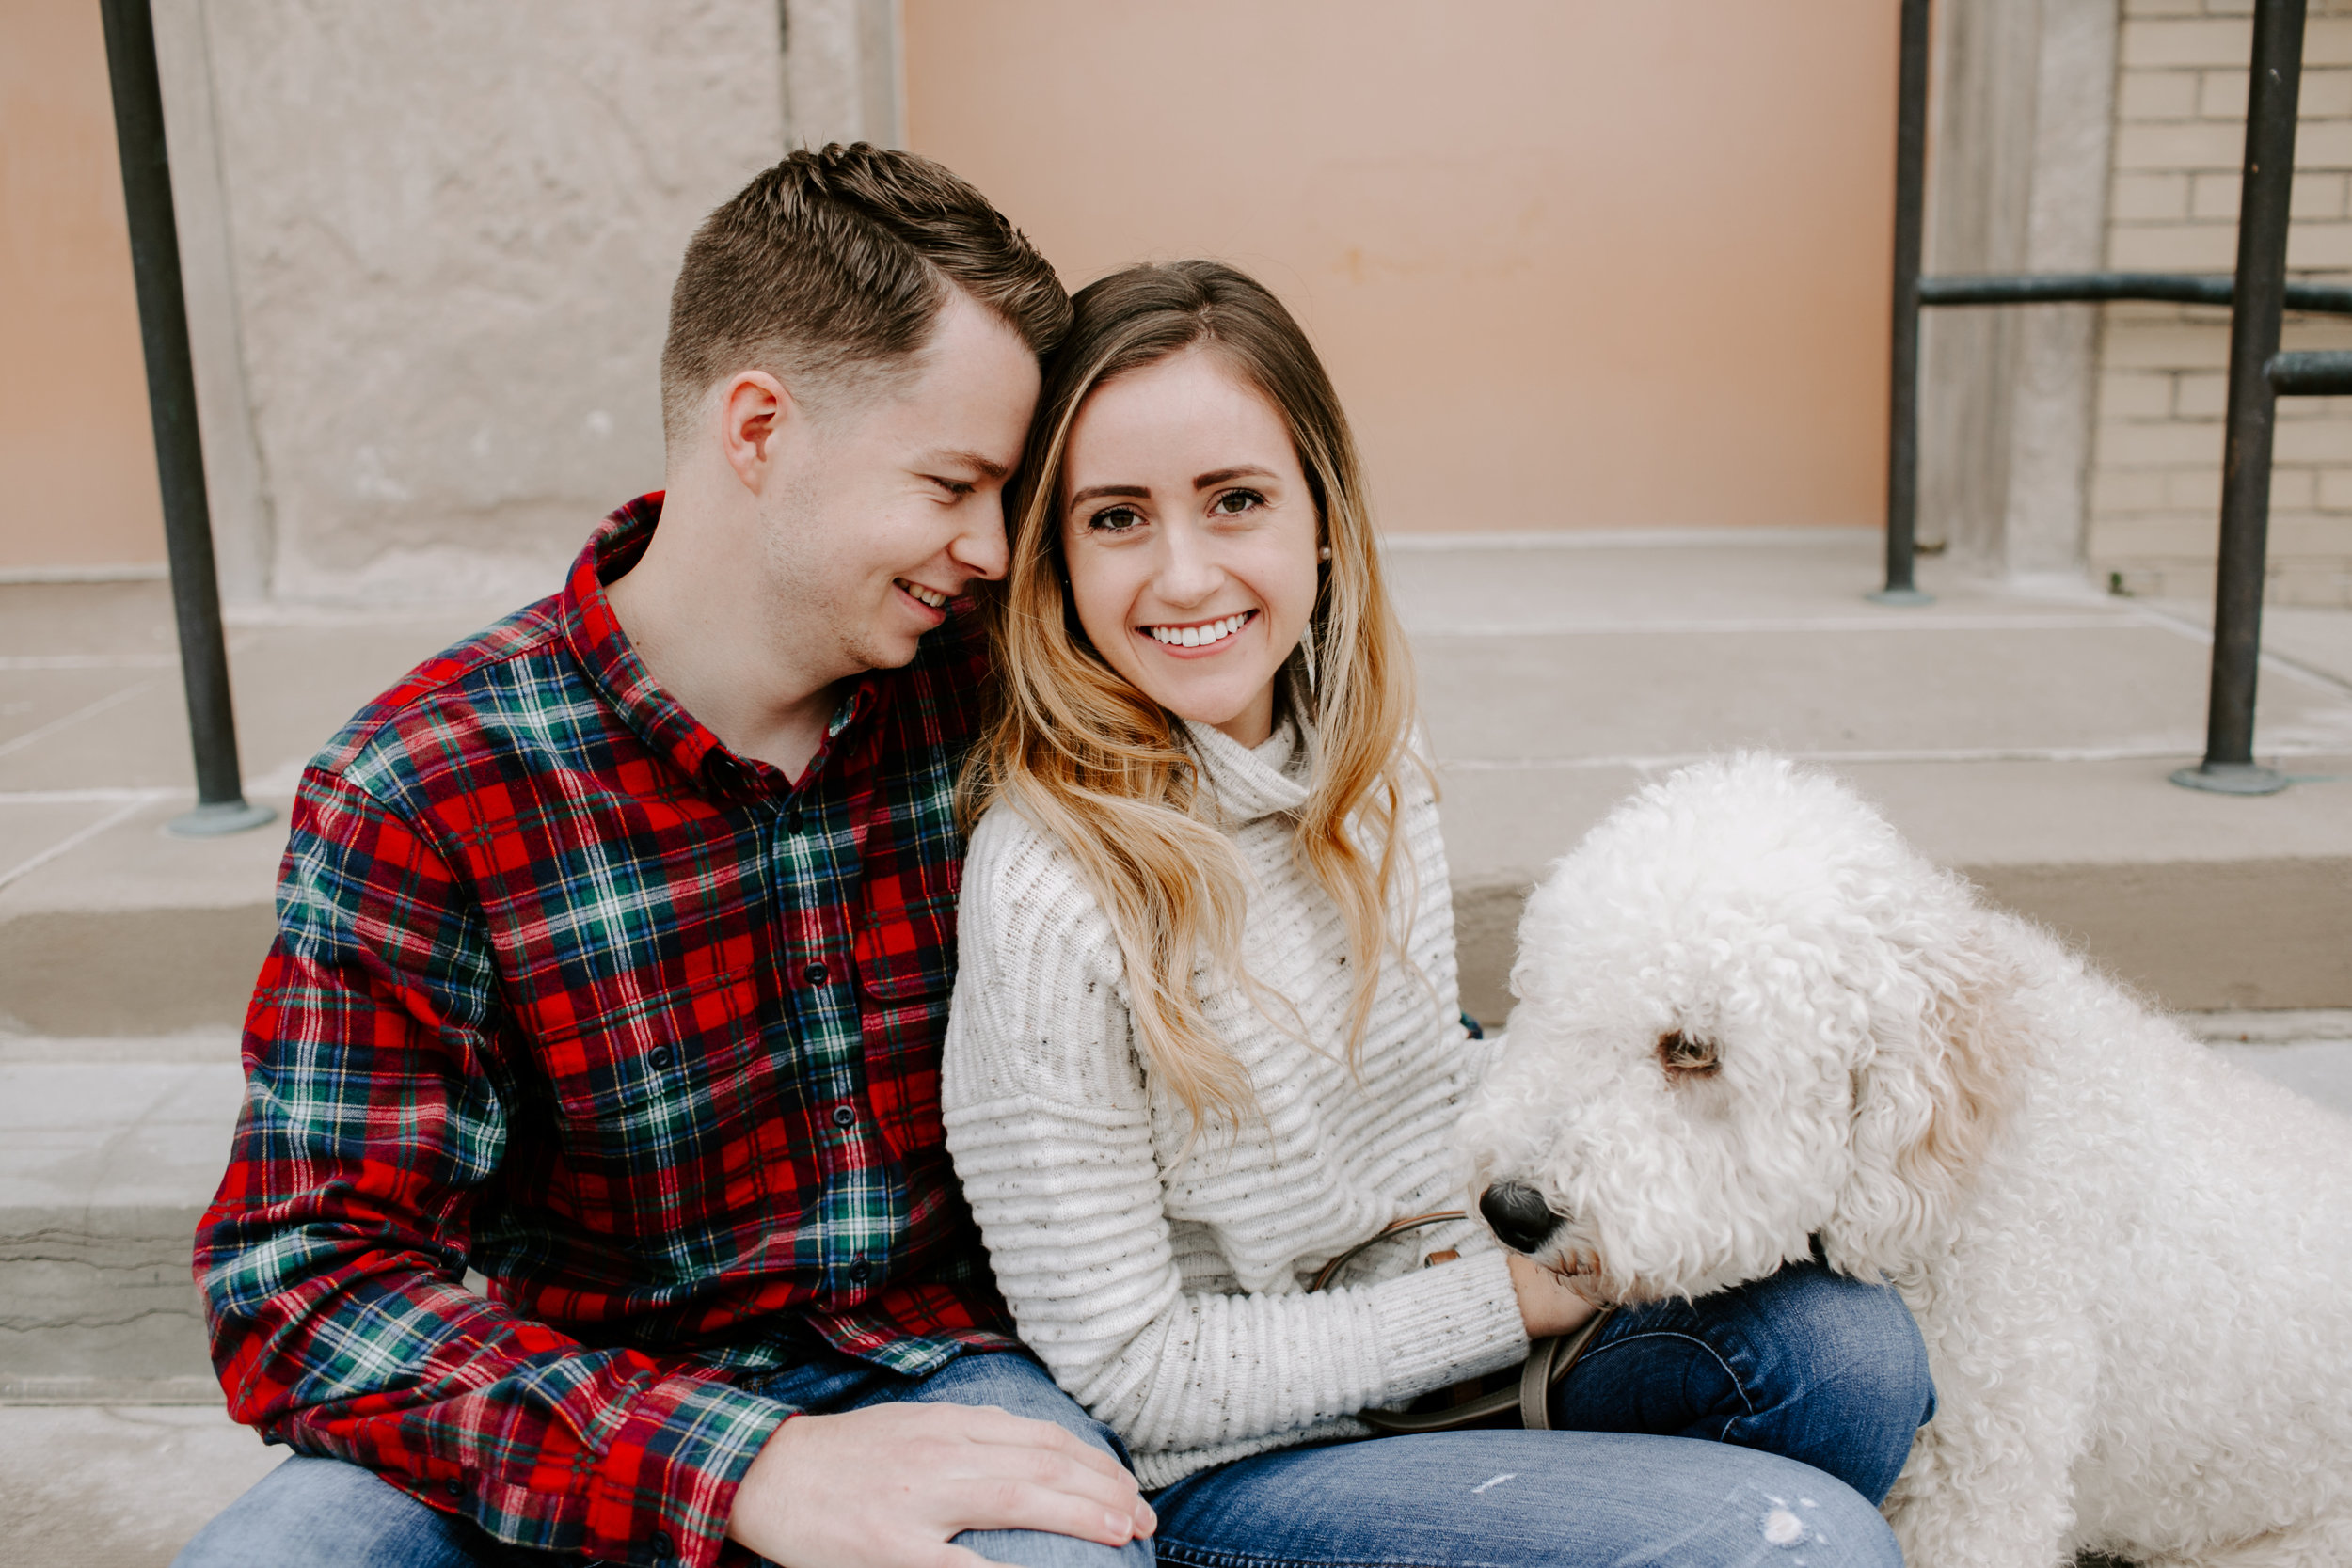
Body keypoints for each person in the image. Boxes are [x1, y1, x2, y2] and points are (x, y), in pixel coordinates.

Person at [174, 146, 1160, 1568]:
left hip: (924, 1367)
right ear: (756, 428)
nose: (995, 550)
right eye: (953, 483)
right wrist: (738, 1465)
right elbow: (301, 1282)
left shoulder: (996, 699)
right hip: (566, 1404)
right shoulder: (429, 783)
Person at [939, 260, 1934, 1566]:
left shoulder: (1363, 764)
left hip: (1447, 1339)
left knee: (1853, 1358)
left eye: (1235, 501)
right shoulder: (1047, 889)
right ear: (1057, 561)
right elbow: (1135, 1369)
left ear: (1321, 522)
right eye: (1117, 518)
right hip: (1239, 1466)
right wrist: (1507, 1300)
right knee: (1808, 1546)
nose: (1184, 576)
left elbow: (1425, 1103)